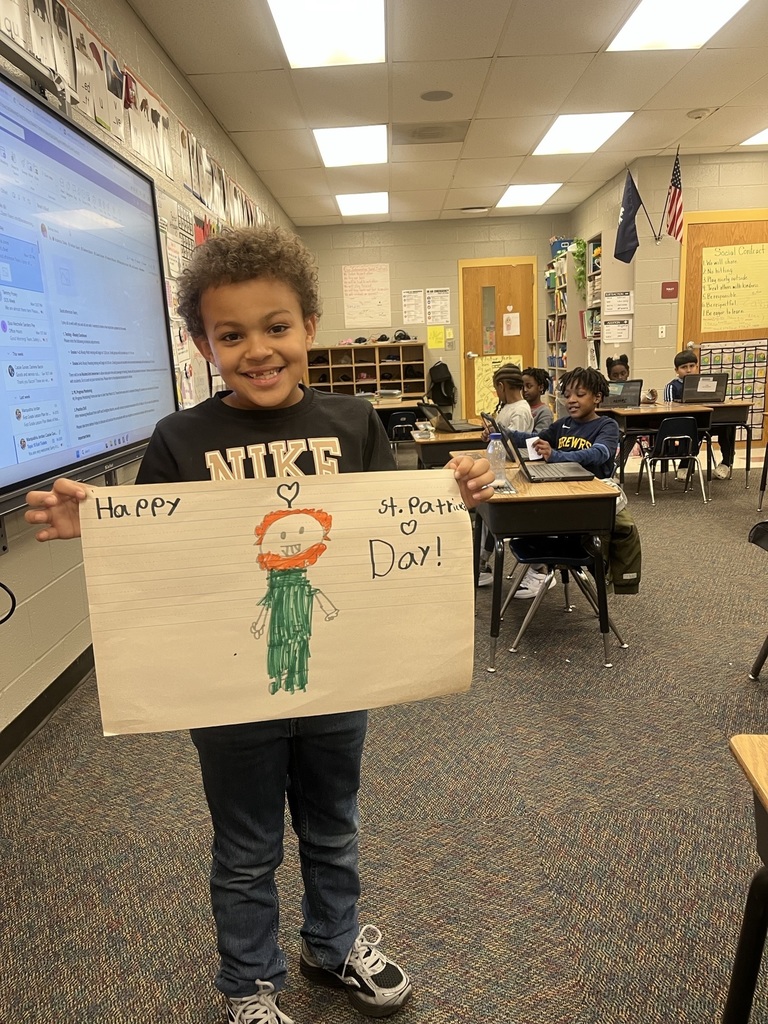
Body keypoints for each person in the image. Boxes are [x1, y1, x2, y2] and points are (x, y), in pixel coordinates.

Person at [24, 226, 495, 1024]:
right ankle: (248, 983)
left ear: (309, 325)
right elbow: (156, 549)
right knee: (246, 847)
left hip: (340, 678)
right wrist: (97, 526)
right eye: (230, 334)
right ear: (201, 342)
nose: (257, 350)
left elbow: (392, 529)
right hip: (228, 691)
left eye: (276, 328)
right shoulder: (182, 437)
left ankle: (333, 943)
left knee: (333, 824)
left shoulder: (355, 422)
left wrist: (460, 490)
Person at [502, 366, 624, 599]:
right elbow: (535, 441)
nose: (571, 400)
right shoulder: (563, 424)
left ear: (597, 397)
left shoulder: (606, 426)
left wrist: (557, 455)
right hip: (561, 494)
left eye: (580, 394)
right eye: (567, 395)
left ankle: (540, 572)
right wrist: (506, 434)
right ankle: (541, 568)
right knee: (524, 509)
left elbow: (599, 453)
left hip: (588, 503)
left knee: (533, 515)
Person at [664, 348, 734, 479]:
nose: (689, 370)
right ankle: (685, 464)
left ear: (697, 367)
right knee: (694, 429)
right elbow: (668, 409)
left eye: (692, 366)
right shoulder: (672, 387)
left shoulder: (707, 383)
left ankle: (726, 462)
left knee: (728, 425)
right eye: (684, 367)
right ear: (676, 370)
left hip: (709, 421)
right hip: (687, 423)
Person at [490, 364, 534, 433]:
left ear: (501, 386)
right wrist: (491, 432)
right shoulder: (508, 406)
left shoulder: (520, 412)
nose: (497, 394)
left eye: (496, 389)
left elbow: (511, 442)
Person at [521, 366, 554, 434]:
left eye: (529, 386)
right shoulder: (521, 408)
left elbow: (539, 437)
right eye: (522, 387)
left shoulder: (544, 412)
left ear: (541, 387)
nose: (525, 390)